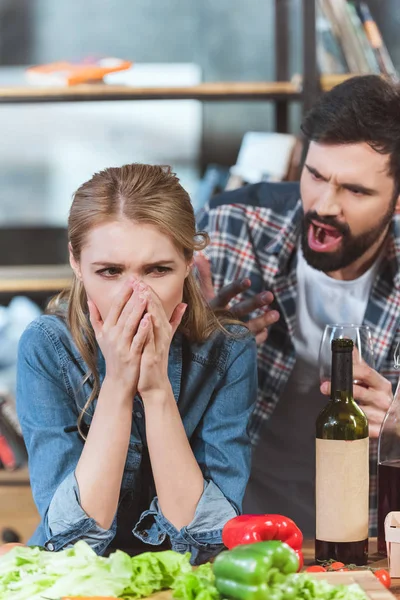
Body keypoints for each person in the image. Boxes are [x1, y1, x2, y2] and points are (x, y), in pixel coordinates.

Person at [16, 163, 257, 564]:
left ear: (188, 262)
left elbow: (209, 540)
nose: (136, 296)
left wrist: (156, 388)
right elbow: (72, 542)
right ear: (76, 261)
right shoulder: (45, 347)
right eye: (109, 271)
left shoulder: (228, 351)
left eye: (158, 270)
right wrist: (118, 385)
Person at [197, 74, 400, 537]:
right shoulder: (229, 229)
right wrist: (193, 345)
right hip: (232, 526)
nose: (323, 205)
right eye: (315, 175)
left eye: (355, 190)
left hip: (367, 534)